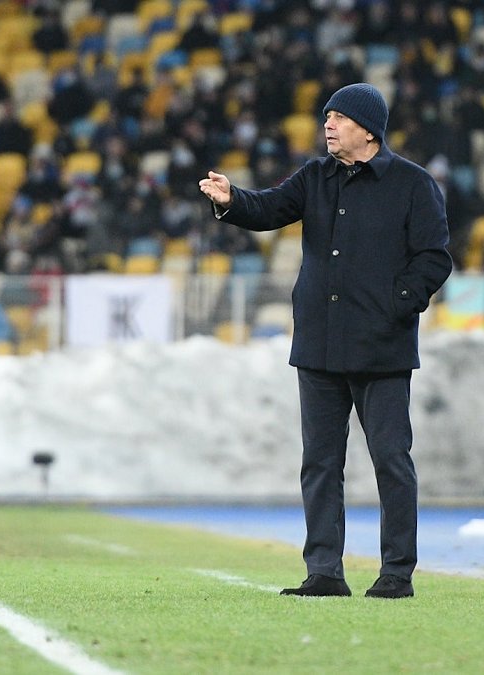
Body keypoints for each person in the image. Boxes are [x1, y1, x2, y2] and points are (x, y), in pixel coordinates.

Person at [198, 83, 452, 598]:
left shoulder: (413, 184)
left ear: (368, 130)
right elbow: (269, 209)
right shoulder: (315, 176)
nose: (328, 125)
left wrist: (395, 304)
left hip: (382, 348)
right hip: (319, 346)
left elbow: (434, 258)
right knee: (319, 464)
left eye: (339, 117)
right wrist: (231, 200)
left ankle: (396, 573)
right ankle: (324, 572)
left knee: (391, 461)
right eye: (327, 117)